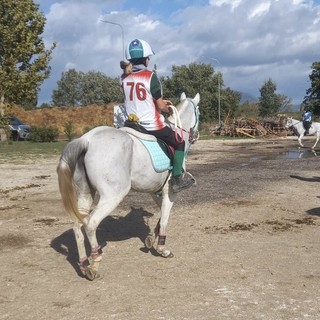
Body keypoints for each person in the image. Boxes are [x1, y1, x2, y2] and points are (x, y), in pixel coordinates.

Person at [120, 38, 194, 193]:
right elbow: (159, 106)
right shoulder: (150, 76)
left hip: (131, 124)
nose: (149, 60)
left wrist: (159, 102)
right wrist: (167, 108)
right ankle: (177, 179)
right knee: (180, 142)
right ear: (146, 59)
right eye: (148, 57)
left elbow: (137, 100)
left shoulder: (123, 77)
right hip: (151, 125)